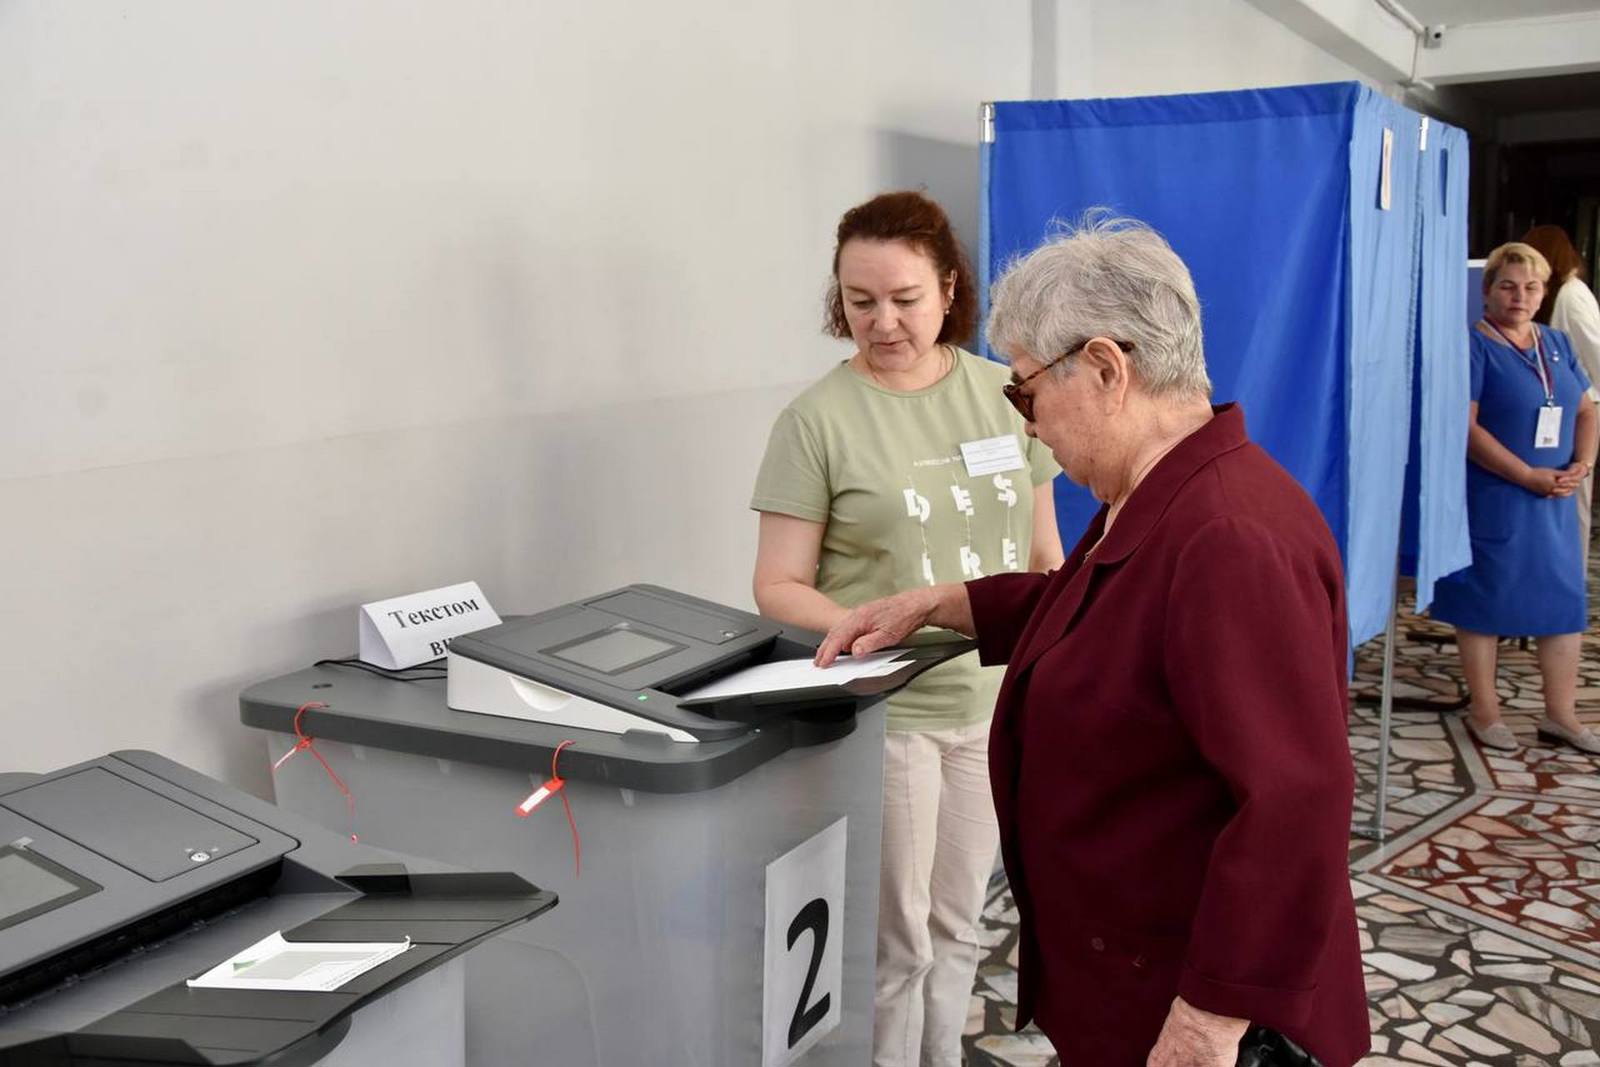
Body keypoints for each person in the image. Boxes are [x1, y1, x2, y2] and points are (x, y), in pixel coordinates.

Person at [812, 215, 1369, 1066]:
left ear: (1107, 369)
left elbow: (1294, 800)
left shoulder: (1229, 534)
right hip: (1131, 980)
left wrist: (1212, 1018)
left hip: (1193, 1011)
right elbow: (1102, 610)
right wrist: (945, 602)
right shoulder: (1161, 496)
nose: (1028, 425)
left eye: (1027, 393)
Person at [749, 190, 1064, 1067]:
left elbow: (1045, 552)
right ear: (838, 298)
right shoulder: (815, 421)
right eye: (860, 301)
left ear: (948, 287)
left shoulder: (1007, 394)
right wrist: (873, 623)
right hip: (894, 714)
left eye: (905, 298)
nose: (882, 321)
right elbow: (776, 583)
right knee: (901, 941)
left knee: (961, 921)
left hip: (993, 702)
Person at [1430, 242, 1600, 755]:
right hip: (1497, 494)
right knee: (1487, 600)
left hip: (1556, 498)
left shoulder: (1557, 344)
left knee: (1564, 602)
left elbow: (1587, 410)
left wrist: (1583, 465)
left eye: (1530, 287)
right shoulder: (1473, 347)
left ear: (1544, 292)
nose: (1519, 296)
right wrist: (1526, 474)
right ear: (1487, 293)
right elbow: (1465, 428)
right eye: (1507, 285)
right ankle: (1485, 713)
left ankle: (1561, 715)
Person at [1523, 225, 1600, 554]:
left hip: (1579, 405)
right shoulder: (1564, 294)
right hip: (1561, 404)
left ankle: (1573, 570)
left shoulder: (1571, 294)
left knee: (1573, 496)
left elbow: (1594, 349)